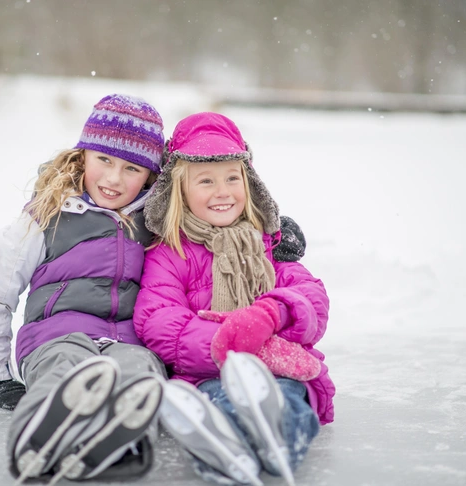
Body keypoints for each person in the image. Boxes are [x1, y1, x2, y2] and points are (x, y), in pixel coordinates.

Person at [0, 94, 169, 485]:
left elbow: (217, 218)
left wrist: (271, 235)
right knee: (63, 371)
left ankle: (121, 445)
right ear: (83, 155)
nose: (113, 178)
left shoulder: (160, 220)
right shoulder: (48, 215)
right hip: (55, 336)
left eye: (131, 168)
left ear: (151, 176)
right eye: (104, 160)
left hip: (130, 342)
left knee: (140, 373)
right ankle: (38, 435)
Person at [133, 112, 335, 486]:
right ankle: (223, 449)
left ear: (249, 182)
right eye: (206, 181)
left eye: (232, 178)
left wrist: (272, 315)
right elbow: (158, 319)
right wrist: (226, 344)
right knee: (222, 402)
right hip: (210, 372)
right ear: (180, 189)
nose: (222, 191)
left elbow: (310, 297)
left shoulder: (268, 244)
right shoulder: (170, 252)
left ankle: (279, 441)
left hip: (282, 369)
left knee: (291, 399)